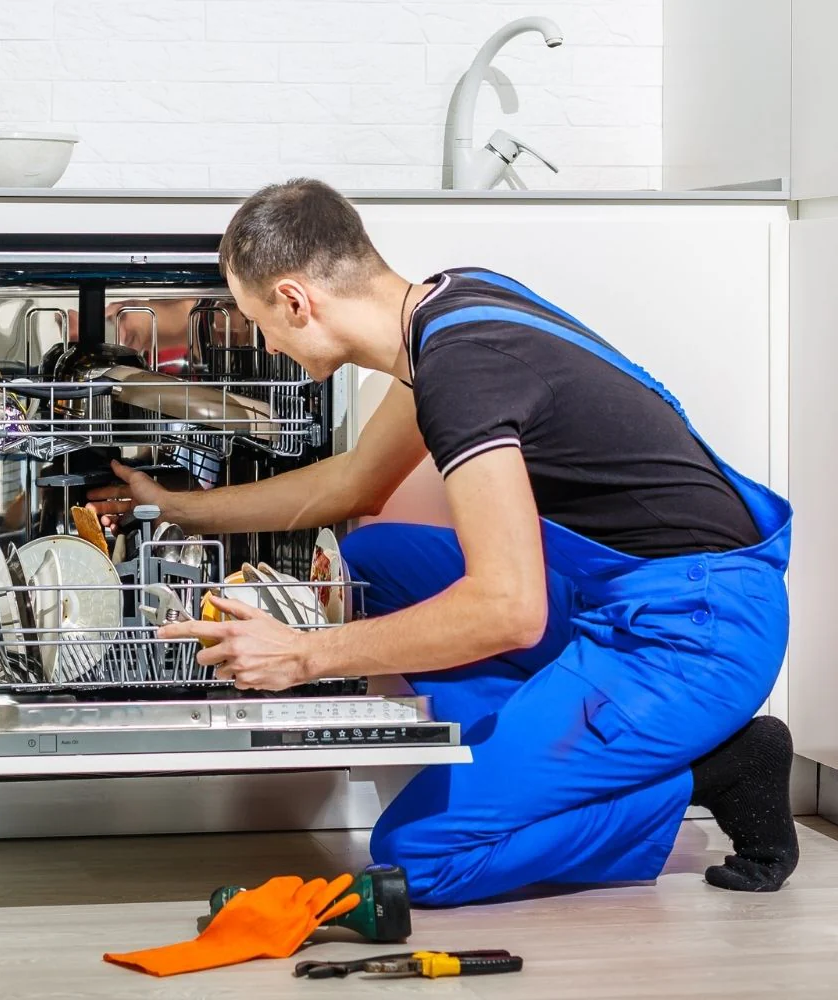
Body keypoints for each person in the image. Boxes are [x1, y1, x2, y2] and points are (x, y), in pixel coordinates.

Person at [87, 178, 798, 905]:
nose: (266, 342)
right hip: (622, 595)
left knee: (419, 857)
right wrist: (178, 508)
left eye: (259, 319)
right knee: (375, 559)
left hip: (694, 636)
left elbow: (509, 609)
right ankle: (546, 743)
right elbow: (354, 486)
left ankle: (714, 771)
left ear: (297, 300)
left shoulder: (461, 375)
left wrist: (303, 653)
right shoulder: (447, 307)